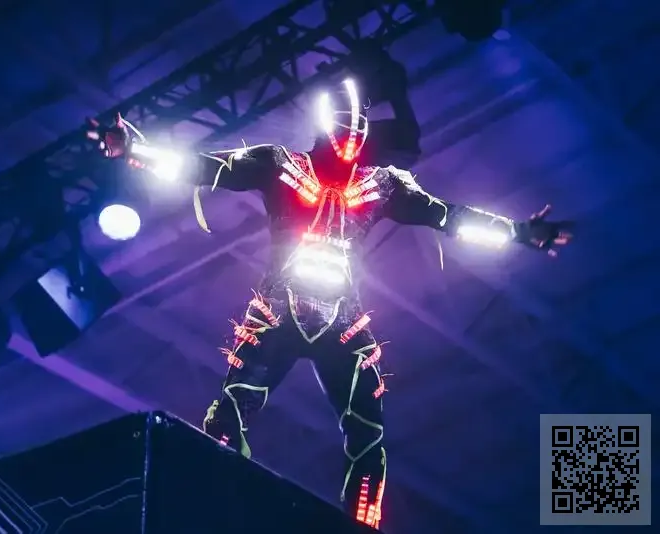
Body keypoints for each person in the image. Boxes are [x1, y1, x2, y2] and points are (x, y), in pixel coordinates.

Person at [86, 78, 573, 529]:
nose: (350, 138)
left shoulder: (381, 184)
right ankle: (211, 505)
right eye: (343, 127)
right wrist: (138, 149)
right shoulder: (280, 164)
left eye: (357, 128)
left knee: (367, 433)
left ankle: (360, 523)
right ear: (323, 125)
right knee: (231, 415)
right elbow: (204, 166)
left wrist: (517, 232)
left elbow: (449, 216)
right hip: (280, 312)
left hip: (341, 322)